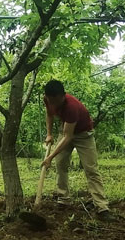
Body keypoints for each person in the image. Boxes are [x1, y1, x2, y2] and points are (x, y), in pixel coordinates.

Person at [42, 79, 113, 220]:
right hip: (66, 130)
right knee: (60, 164)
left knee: (91, 169)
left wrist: (49, 157)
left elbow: (68, 137)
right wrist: (49, 134)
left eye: (55, 101)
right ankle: (63, 198)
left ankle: (101, 206)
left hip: (83, 135)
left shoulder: (71, 107)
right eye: (50, 101)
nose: (53, 104)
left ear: (63, 95)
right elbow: (49, 114)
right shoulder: (48, 99)